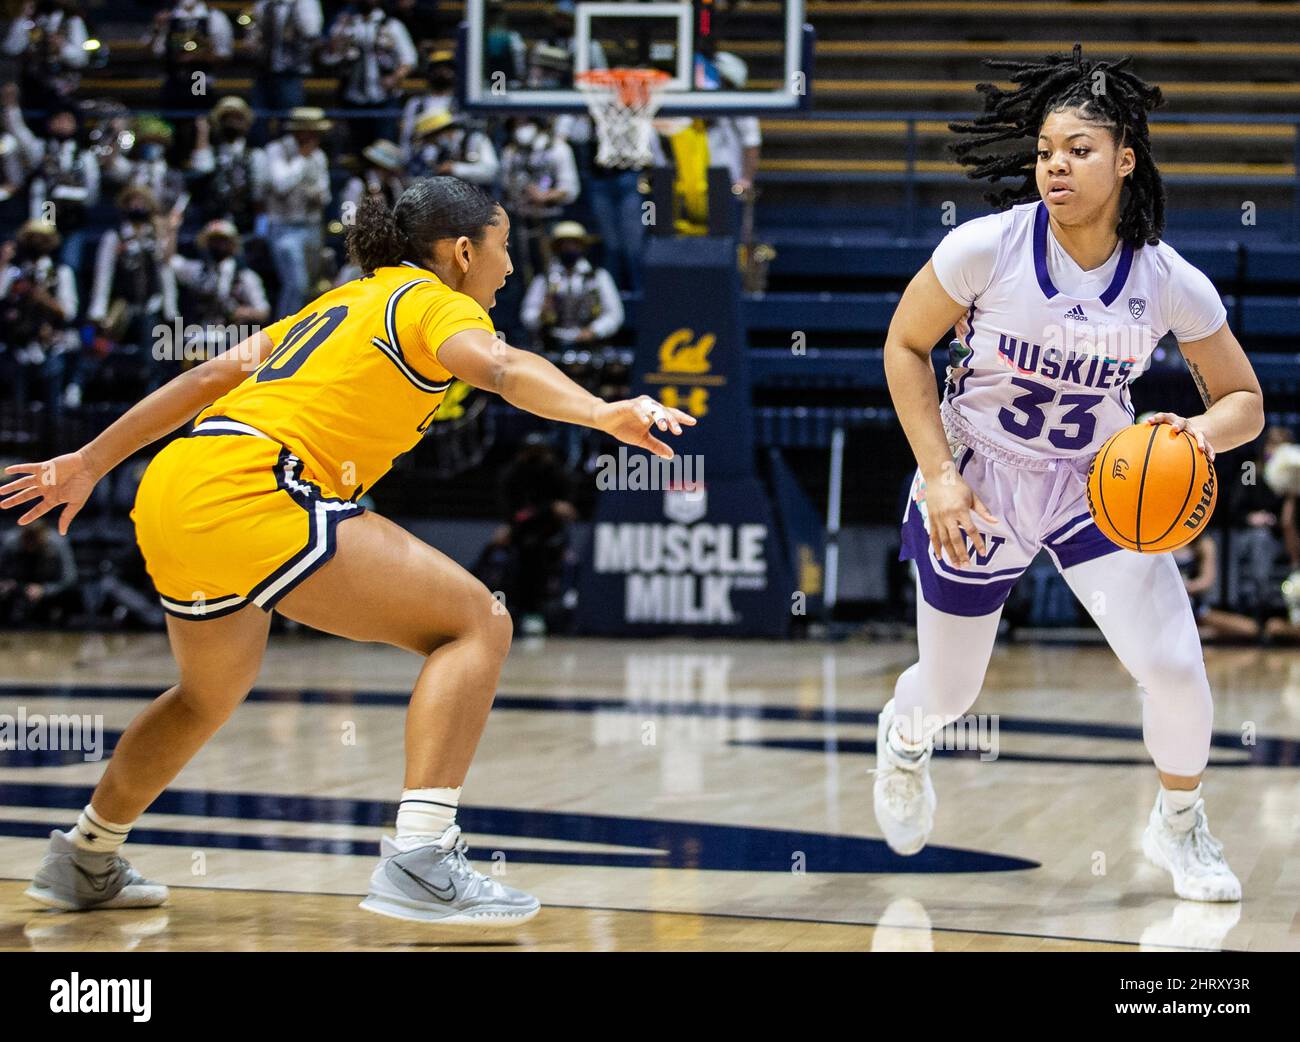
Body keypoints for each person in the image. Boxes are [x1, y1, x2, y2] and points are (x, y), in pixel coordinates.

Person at [1, 175, 695, 924]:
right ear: (462, 251)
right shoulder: (435, 302)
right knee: (477, 624)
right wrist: (603, 411)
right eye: (502, 248)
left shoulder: (338, 301)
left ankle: (84, 857)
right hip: (256, 482)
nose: (510, 267)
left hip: (175, 486)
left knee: (207, 693)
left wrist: (92, 461)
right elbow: (499, 368)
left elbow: (207, 376)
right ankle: (422, 859)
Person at [875, 46, 1264, 903]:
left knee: (1172, 666)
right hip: (979, 474)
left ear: (1125, 159)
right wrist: (938, 475)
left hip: (1097, 482)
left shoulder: (1166, 280)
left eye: (1079, 149)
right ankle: (903, 742)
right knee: (949, 688)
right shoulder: (987, 247)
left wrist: (1195, 432)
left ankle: (1181, 825)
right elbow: (905, 345)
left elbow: (1244, 400)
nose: (1056, 165)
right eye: (1047, 150)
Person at [0, 219, 79, 411]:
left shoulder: (60, 272)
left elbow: (68, 312)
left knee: (53, 395)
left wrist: (43, 298)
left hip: (52, 345)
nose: (37, 243)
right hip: (18, 348)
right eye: (32, 238)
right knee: (17, 405)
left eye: (41, 239)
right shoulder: (14, 273)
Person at [261, 107, 332, 315]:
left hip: (312, 225)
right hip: (284, 226)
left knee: (309, 287)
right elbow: (281, 184)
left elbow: (325, 194)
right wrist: (301, 159)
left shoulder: (319, 156)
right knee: (296, 284)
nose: (316, 137)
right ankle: (282, 337)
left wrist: (313, 193)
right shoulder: (276, 150)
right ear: (299, 132)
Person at [519, 222, 622, 352]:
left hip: (589, 345)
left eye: (574, 243)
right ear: (557, 247)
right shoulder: (545, 278)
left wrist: (594, 330)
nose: (569, 248)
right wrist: (541, 315)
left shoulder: (598, 276)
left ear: (583, 247)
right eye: (564, 244)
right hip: (553, 343)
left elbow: (614, 315)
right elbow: (527, 314)